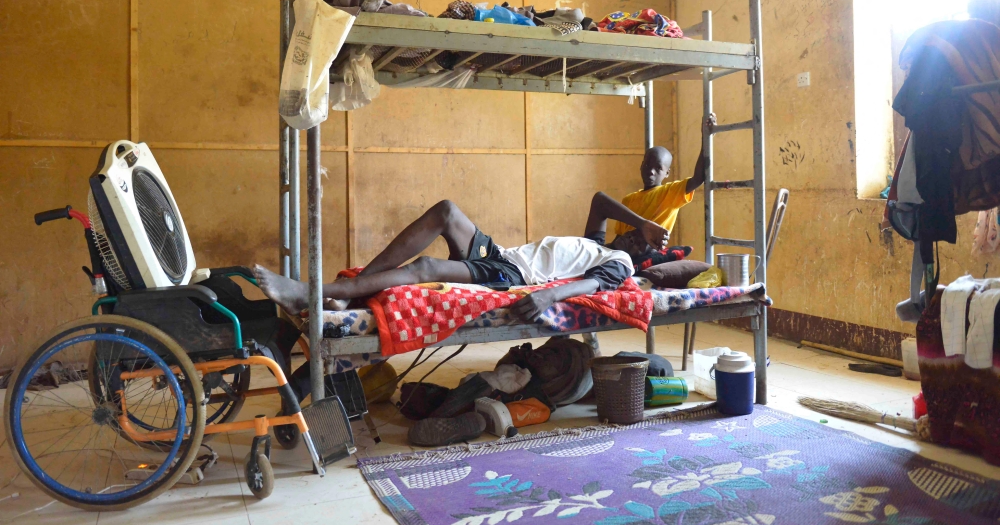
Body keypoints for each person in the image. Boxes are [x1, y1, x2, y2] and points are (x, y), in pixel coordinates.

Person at [254, 197, 669, 323]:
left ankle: (310, 293)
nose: (636, 235)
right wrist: (642, 220)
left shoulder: (621, 264)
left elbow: (592, 287)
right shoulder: (598, 242)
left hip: (510, 277)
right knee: (447, 211)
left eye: (643, 240)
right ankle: (348, 293)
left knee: (427, 269)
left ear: (643, 256)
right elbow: (597, 202)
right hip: (502, 254)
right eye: (635, 232)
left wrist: (547, 298)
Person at [584, 113, 716, 262]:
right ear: (641, 166)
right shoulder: (629, 200)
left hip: (635, 254)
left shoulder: (670, 193)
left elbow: (699, 178)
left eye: (658, 168)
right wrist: (607, 251)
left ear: (667, 173)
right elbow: (619, 238)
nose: (651, 171)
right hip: (616, 250)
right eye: (647, 165)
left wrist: (705, 138)